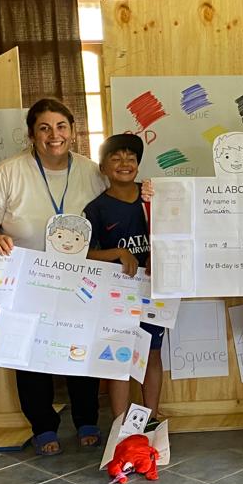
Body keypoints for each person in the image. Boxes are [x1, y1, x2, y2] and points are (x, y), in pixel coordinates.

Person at [0, 98, 107, 455]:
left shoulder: (92, 172)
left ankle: (87, 419)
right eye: (44, 128)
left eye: (61, 127)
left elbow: (117, 204)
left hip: (79, 282)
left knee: (80, 351)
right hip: (27, 281)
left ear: (73, 132)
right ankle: (43, 426)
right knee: (29, 356)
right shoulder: (8, 172)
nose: (53, 135)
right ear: (31, 135)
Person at [83, 133, 164, 426]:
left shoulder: (153, 197)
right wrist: (118, 252)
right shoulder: (96, 209)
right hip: (115, 295)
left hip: (153, 291)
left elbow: (177, 233)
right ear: (103, 168)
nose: (124, 163)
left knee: (152, 354)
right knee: (119, 358)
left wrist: (160, 253)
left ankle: (151, 417)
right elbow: (84, 253)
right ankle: (120, 423)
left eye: (131, 158)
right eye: (115, 158)